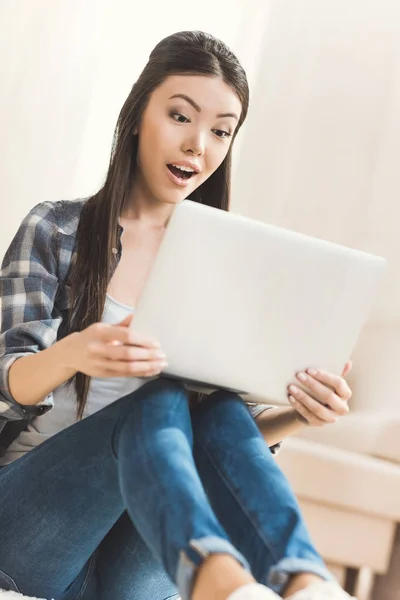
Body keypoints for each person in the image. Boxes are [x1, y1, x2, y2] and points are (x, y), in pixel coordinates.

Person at [0, 30, 355, 600]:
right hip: (30, 532)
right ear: (140, 113)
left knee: (211, 413)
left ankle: (301, 579)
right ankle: (217, 573)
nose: (198, 145)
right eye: (180, 116)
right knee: (161, 398)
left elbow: (225, 443)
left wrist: (299, 414)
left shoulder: (229, 268)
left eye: (220, 131)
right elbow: (5, 381)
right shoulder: (57, 229)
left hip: (131, 562)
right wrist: (73, 351)